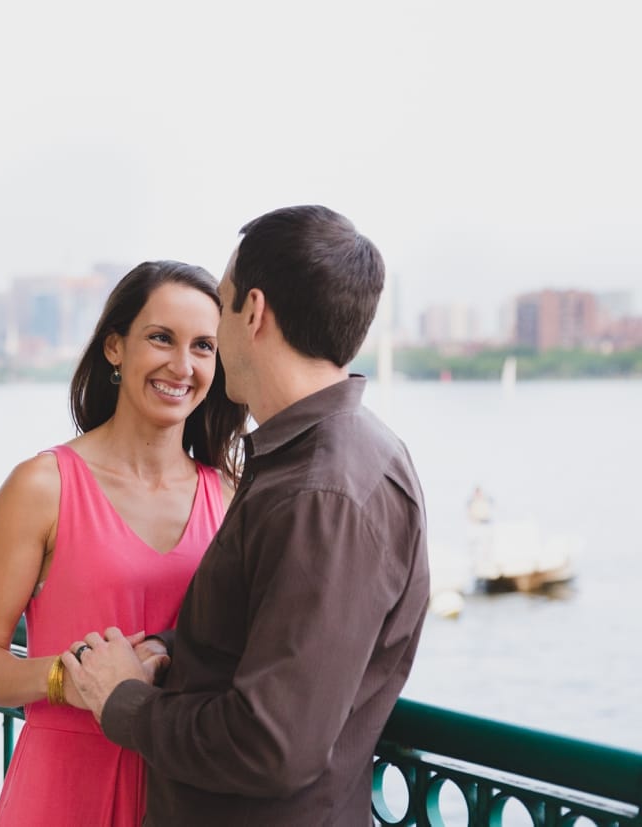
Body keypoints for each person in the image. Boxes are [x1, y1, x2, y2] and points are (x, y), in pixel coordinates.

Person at [63, 205, 431, 826]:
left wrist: (120, 701)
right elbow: (276, 634)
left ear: (253, 313)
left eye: (224, 305)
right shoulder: (320, 463)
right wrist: (167, 650)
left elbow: (272, 744)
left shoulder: (322, 493)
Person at [0, 260, 248, 826]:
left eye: (204, 347)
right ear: (115, 347)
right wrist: (71, 679)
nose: (182, 366)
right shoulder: (41, 486)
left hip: (187, 795)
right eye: (161, 338)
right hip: (63, 792)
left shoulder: (231, 496)